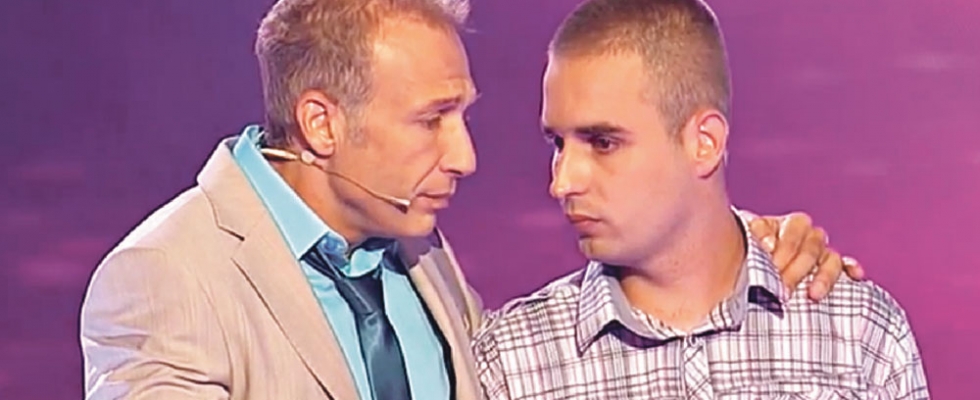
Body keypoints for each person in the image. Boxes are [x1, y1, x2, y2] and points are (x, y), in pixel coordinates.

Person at [79, 0, 863, 399]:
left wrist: (742, 247)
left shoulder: (414, 245)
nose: (465, 156)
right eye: (432, 120)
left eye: (463, 116)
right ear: (322, 123)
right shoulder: (164, 277)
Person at [471, 0, 928, 399]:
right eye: (557, 143)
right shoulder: (512, 361)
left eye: (603, 143)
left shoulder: (857, 330)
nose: (563, 182)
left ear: (704, 143)